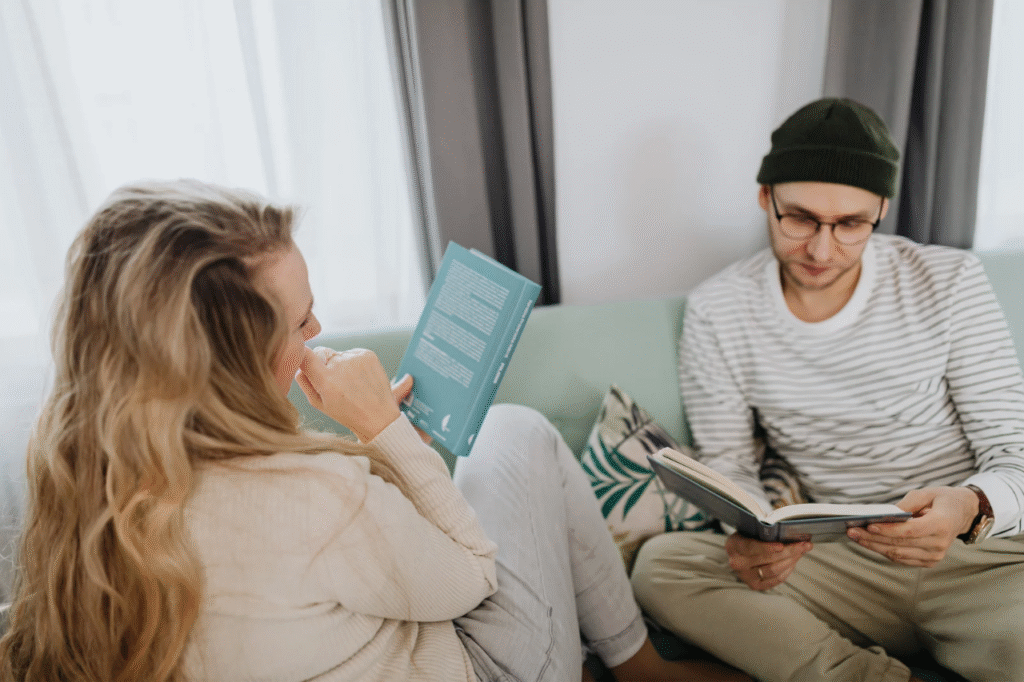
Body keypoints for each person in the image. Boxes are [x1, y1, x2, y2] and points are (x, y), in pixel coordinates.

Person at [0, 179, 749, 682]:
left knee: (503, 447)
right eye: (299, 322)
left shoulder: (78, 486)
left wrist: (383, 460)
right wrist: (384, 429)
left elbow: (317, 579)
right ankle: (642, 668)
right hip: (480, 666)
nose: (319, 329)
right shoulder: (310, 496)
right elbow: (470, 575)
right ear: (229, 362)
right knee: (517, 434)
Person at [630, 97, 1024, 682]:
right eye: (800, 218)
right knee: (661, 569)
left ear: (882, 209)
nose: (820, 249)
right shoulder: (718, 310)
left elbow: (1015, 453)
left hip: (975, 560)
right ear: (766, 198)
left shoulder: (950, 282)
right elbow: (731, 464)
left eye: (850, 225)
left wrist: (967, 506)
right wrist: (747, 539)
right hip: (838, 561)